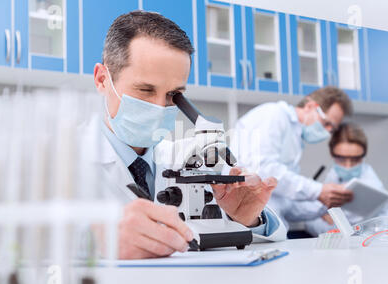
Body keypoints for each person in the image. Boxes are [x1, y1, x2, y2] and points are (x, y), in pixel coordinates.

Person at [90, 11, 287, 260]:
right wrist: (96, 239)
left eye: (173, 95)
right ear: (101, 79)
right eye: (145, 90)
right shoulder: (59, 158)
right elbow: (30, 241)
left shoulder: (186, 157)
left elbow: (276, 237)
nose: (160, 107)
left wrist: (248, 219)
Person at [232, 87, 354, 229]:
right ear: (310, 106)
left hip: (269, 230)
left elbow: (285, 204)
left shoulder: (295, 138)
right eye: (327, 123)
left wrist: (326, 202)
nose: (328, 132)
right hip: (247, 226)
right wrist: (318, 190)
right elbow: (263, 171)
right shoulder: (273, 114)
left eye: (332, 129)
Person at [295, 123, 388, 237]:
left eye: (355, 159)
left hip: (370, 244)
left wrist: (324, 214)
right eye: (341, 158)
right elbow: (313, 217)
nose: (348, 166)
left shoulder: (372, 184)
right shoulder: (332, 174)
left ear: (363, 156)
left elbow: (347, 231)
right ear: (332, 154)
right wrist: (323, 213)